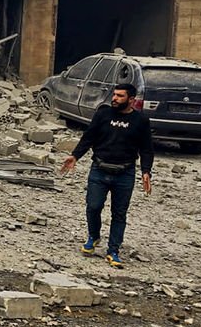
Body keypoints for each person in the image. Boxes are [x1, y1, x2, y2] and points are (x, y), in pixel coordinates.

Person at [60, 82, 154, 269]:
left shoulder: (141, 121)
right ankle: (93, 237)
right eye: (114, 95)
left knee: (119, 214)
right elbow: (89, 137)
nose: (115, 98)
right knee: (93, 207)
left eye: (120, 96)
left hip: (125, 173)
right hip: (99, 169)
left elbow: (146, 148)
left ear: (131, 100)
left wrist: (146, 171)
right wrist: (75, 155)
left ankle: (113, 251)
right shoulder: (103, 114)